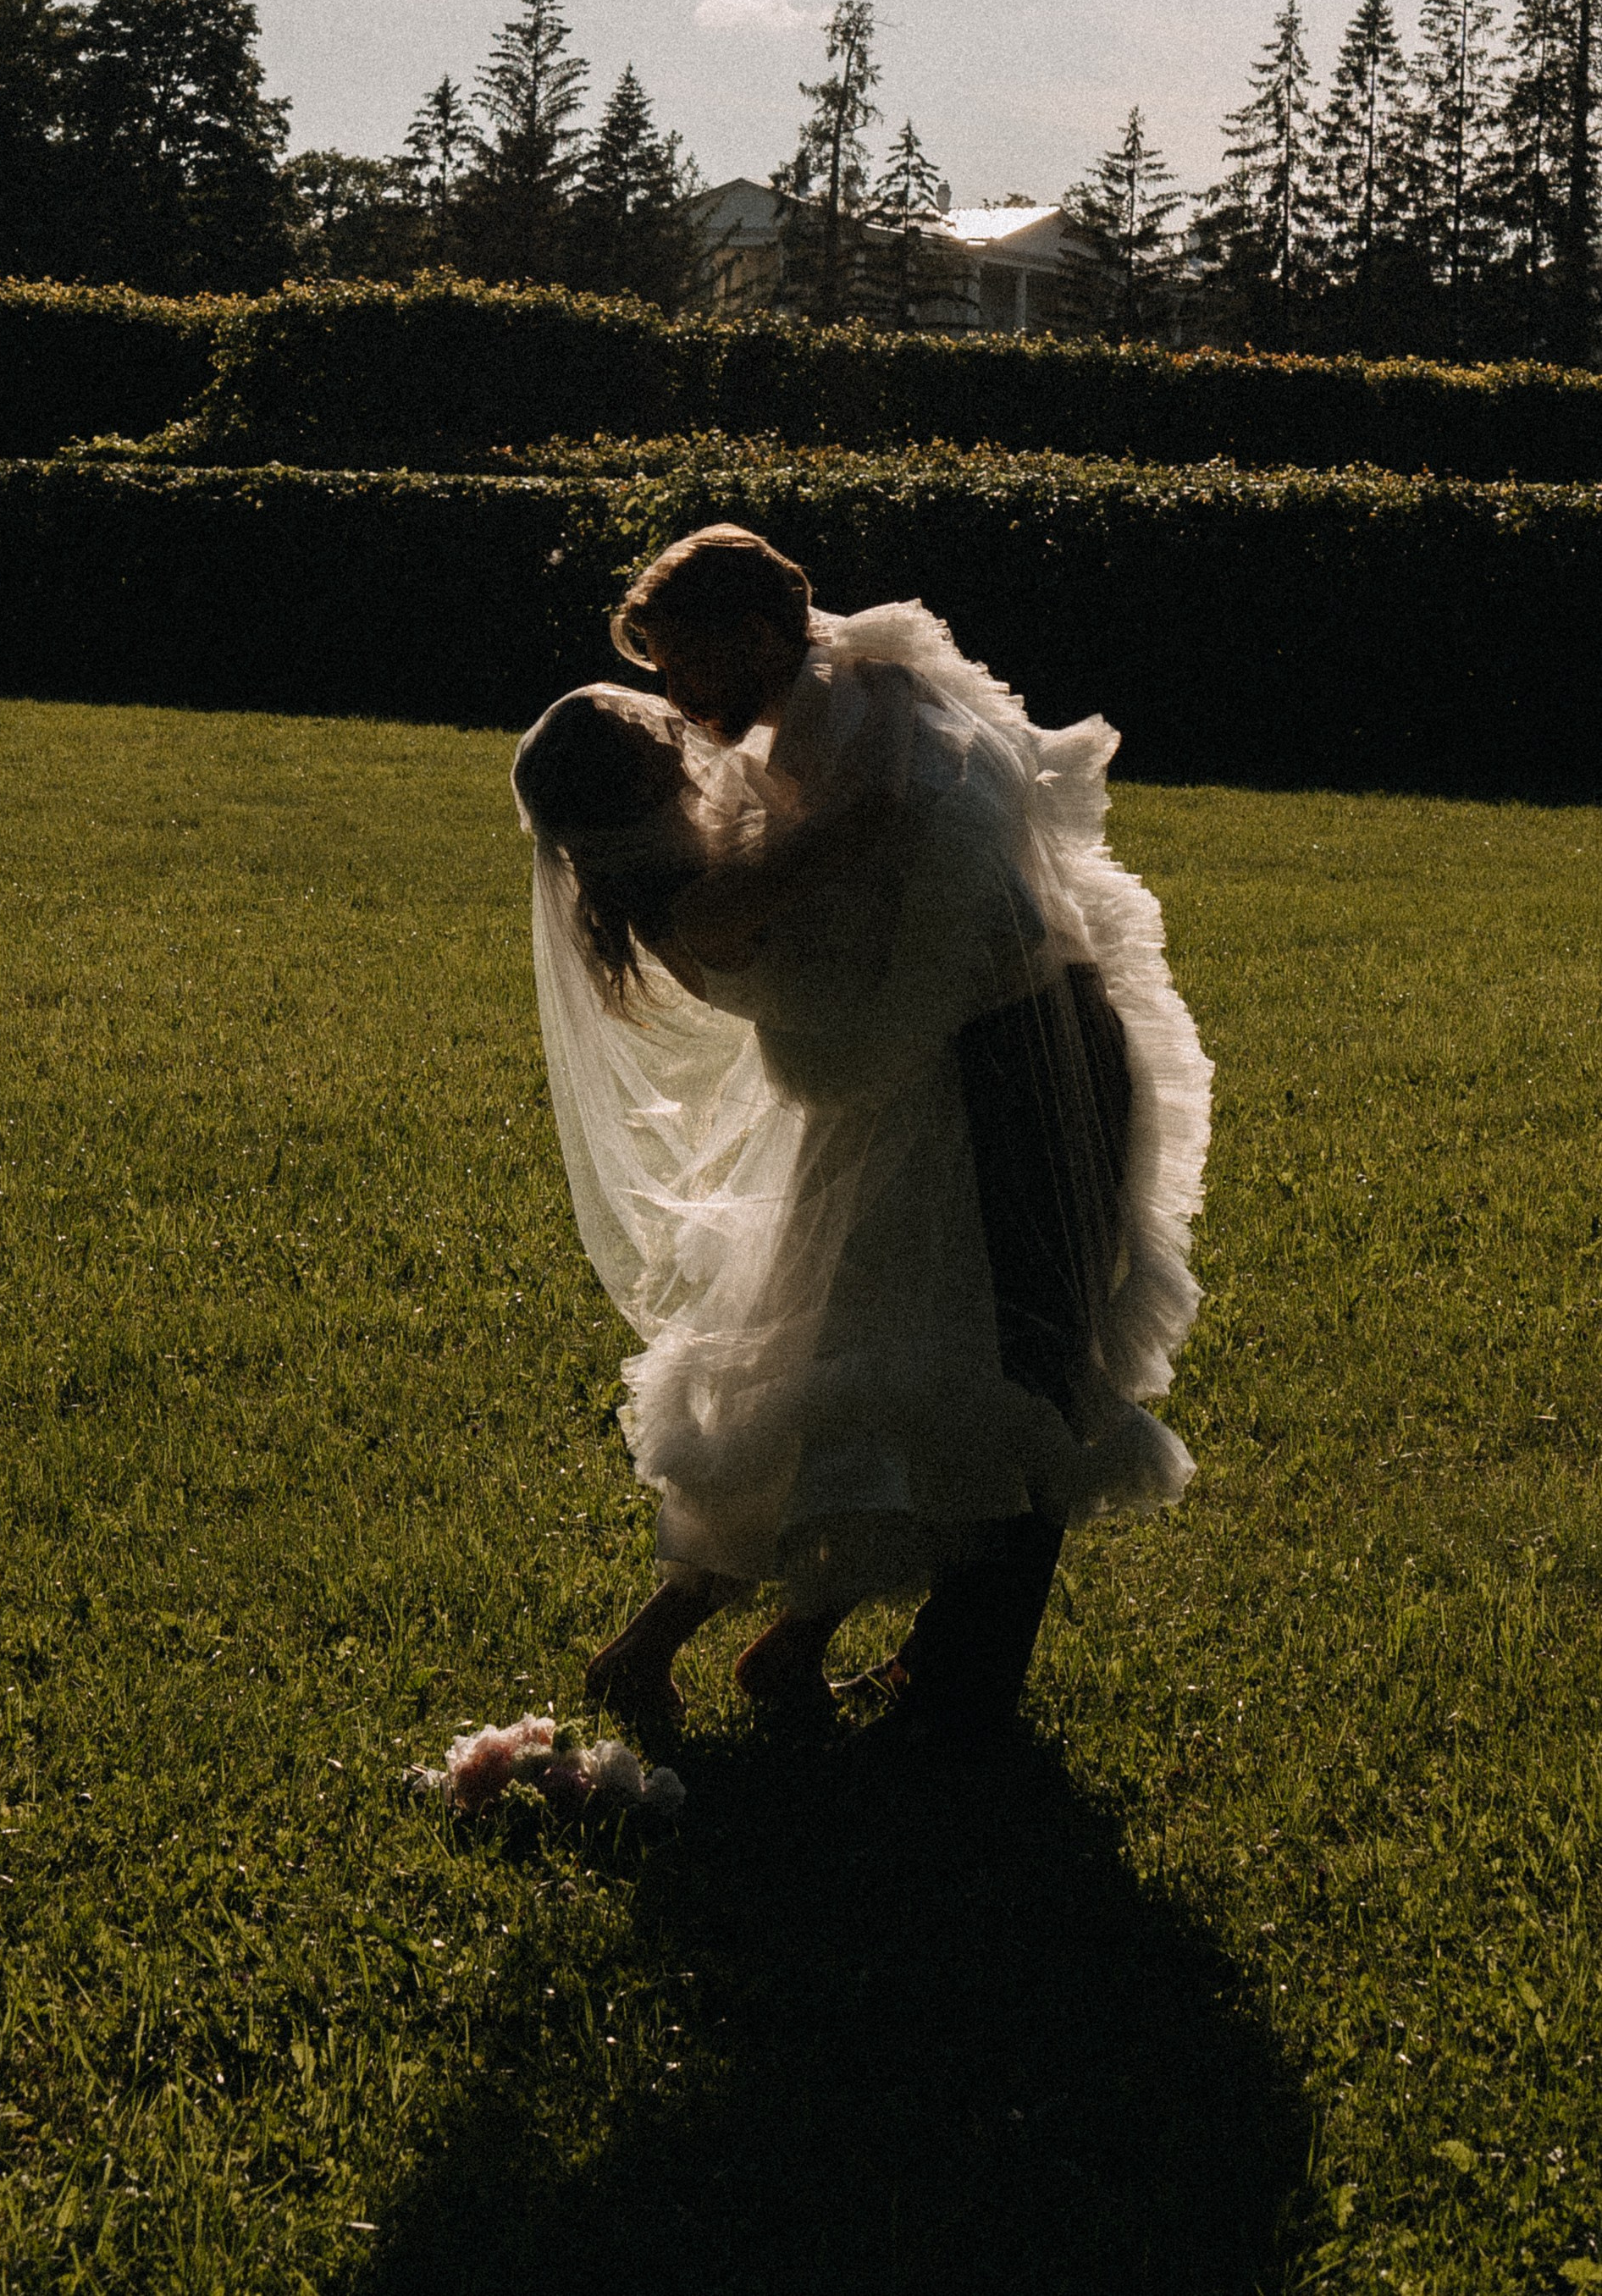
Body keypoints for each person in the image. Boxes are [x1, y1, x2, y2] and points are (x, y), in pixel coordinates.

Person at [512, 526, 1211, 1748]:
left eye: (684, 671)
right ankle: (938, 1688)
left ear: (751, 637)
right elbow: (874, 835)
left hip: (948, 1082)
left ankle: (812, 1650)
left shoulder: (758, 791)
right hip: (957, 1088)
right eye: (664, 701)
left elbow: (900, 854)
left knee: (902, 1366)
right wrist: (871, 676)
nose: (684, 712)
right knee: (970, 1364)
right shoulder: (706, 879)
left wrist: (861, 672)